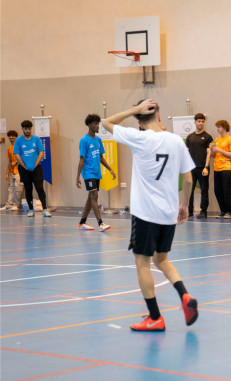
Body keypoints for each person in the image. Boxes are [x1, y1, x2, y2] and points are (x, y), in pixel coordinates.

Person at [101, 98, 198, 332]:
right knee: (161, 259)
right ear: (160, 116)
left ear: (139, 121)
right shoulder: (176, 141)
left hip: (145, 213)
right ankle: (184, 295)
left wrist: (134, 109)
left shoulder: (138, 138)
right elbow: (188, 179)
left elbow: (106, 123)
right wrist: (184, 205)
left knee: (142, 263)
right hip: (168, 213)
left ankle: (155, 317)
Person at [76, 114, 116, 231]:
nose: (97, 126)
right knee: (94, 195)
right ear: (89, 125)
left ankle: (82, 222)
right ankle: (100, 223)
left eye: (98, 123)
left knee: (91, 197)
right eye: (95, 123)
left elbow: (101, 158)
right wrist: (78, 176)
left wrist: (110, 169)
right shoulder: (84, 140)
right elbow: (81, 159)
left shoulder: (98, 140)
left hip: (96, 172)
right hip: (88, 173)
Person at [13, 120, 51, 217]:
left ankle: (45, 209)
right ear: (22, 129)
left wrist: (35, 164)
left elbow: (41, 152)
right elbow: (17, 155)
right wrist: (25, 166)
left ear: (31, 129)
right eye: (25, 129)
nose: (27, 130)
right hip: (24, 169)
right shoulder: (18, 140)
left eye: (29, 129)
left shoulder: (36, 139)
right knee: (28, 189)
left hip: (36, 168)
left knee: (39, 188)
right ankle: (30, 209)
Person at [185, 113, 213, 219]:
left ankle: (203, 211)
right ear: (195, 122)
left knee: (204, 190)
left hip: (202, 168)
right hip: (191, 168)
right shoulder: (190, 137)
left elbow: (209, 153)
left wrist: (206, 167)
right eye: (199, 121)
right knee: (190, 190)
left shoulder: (208, 137)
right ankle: (189, 211)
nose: (201, 123)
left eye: (202, 121)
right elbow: (186, 153)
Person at [209, 120, 231, 218]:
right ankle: (223, 210)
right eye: (217, 127)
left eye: (219, 127)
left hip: (227, 168)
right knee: (217, 191)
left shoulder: (230, 140)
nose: (217, 129)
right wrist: (211, 150)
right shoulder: (217, 140)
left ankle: (229, 211)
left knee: (226, 190)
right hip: (217, 168)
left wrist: (219, 150)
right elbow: (214, 155)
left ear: (224, 127)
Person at [1, 130, 23, 211]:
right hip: (11, 171)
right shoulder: (9, 148)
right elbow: (10, 161)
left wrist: (16, 162)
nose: (11, 137)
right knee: (11, 188)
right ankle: (9, 205)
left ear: (16, 137)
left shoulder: (20, 146)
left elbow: (24, 157)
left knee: (18, 188)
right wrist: (7, 173)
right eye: (10, 136)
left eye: (13, 136)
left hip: (19, 171)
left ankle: (16, 205)